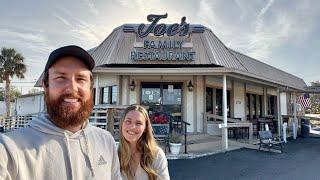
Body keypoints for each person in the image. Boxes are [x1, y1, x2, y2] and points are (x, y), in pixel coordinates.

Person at [0, 45, 121, 180]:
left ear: (90, 88)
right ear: (46, 86)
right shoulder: (9, 149)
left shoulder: (106, 141)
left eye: (80, 79)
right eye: (61, 78)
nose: (72, 88)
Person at [118, 105, 170, 180]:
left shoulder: (156, 155)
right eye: (128, 121)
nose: (132, 127)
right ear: (122, 124)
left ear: (145, 128)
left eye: (138, 123)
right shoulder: (113, 153)